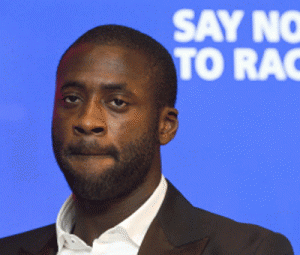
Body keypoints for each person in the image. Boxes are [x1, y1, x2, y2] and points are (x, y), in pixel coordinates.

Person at [0, 25, 294, 255]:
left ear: (165, 126)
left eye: (116, 102)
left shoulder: (249, 250)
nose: (87, 121)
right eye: (72, 98)